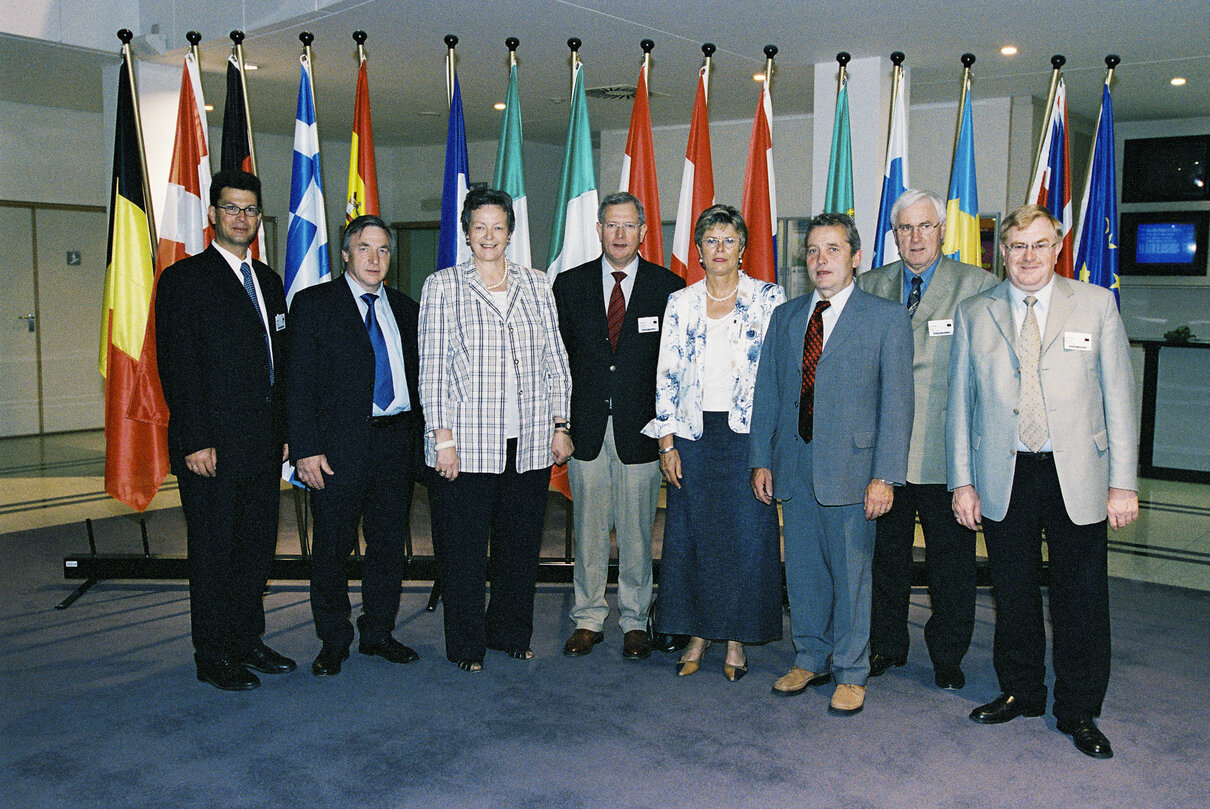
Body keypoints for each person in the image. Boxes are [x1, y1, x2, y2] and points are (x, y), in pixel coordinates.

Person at [948, 204, 1138, 759]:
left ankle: (1079, 709)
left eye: (1038, 245)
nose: (1027, 257)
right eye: (1016, 247)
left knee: (1081, 597)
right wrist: (962, 480)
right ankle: (1021, 690)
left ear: (1057, 248)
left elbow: (1119, 400)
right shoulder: (975, 312)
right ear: (1001, 252)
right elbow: (960, 406)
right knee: (1012, 592)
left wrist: (1122, 483)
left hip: (1076, 472)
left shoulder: (1097, 305)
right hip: (1004, 472)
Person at [750, 212, 913, 716]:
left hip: (854, 471)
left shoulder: (886, 318)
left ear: (856, 257)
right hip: (794, 468)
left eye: (833, 249)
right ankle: (810, 655)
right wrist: (762, 458)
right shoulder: (787, 316)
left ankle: (851, 669)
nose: (821, 260)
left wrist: (884, 475)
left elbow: (898, 405)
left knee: (852, 577)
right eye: (814, 251)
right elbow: (769, 395)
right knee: (803, 574)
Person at [418, 186, 573, 672]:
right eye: (479, 227)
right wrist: (441, 438)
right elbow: (432, 371)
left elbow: (556, 361)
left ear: (510, 231)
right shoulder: (442, 286)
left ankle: (509, 632)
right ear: (466, 233)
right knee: (462, 553)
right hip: (464, 446)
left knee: (519, 548)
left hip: (526, 443)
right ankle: (466, 645)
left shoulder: (537, 284)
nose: (489, 236)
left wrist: (560, 423)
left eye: (498, 227)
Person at [155, 169, 294, 690]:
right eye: (232, 208)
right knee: (214, 553)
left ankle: (247, 640)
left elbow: (277, 366)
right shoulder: (184, 280)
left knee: (255, 550)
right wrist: (194, 438)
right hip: (210, 447)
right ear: (212, 215)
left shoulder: (271, 282)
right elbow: (178, 365)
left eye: (251, 209)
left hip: (261, 444)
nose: (242, 217)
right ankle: (213, 654)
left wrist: (283, 431)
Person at [856, 189, 997, 690]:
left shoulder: (978, 285)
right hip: (884, 455)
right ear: (893, 236)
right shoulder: (869, 285)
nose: (915, 237)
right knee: (885, 560)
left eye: (924, 227)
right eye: (905, 228)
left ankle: (947, 656)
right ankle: (886, 646)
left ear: (942, 231)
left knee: (951, 567)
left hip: (947, 455)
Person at [642, 204, 785, 682]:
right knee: (692, 538)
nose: (720, 249)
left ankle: (738, 640)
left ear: (743, 248)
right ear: (698, 250)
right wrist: (666, 442)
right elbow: (666, 374)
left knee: (748, 539)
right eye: (711, 240)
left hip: (748, 437)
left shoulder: (769, 299)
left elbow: (778, 378)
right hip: (692, 437)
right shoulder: (680, 303)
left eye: (729, 240)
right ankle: (699, 633)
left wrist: (770, 445)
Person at [286, 215, 423, 677]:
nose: (375, 258)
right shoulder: (314, 304)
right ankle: (333, 639)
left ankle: (378, 632)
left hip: (395, 443)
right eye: (365, 248)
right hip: (335, 449)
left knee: (387, 546)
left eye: (383, 250)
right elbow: (297, 382)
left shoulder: (406, 307)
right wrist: (304, 447)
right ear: (345, 253)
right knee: (332, 549)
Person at [553, 192, 684, 661]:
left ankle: (634, 620)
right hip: (585, 429)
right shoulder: (568, 286)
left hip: (642, 432)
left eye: (629, 225)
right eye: (612, 225)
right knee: (588, 530)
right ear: (599, 229)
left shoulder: (669, 287)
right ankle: (587, 618)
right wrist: (560, 423)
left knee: (636, 530)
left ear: (644, 231)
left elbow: (674, 368)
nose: (621, 234)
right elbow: (557, 363)